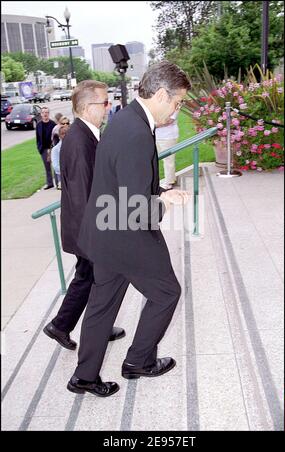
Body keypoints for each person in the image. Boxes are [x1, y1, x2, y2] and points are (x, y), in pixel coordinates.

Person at [67, 61, 191, 398]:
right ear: (162, 94)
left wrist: (163, 191)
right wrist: (165, 203)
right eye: (178, 102)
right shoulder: (137, 131)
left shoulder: (126, 119)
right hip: (126, 234)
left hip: (105, 233)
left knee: (101, 304)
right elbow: (137, 208)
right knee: (167, 292)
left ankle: (84, 376)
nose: (177, 110)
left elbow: (126, 182)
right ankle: (139, 361)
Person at [43, 80, 125, 351]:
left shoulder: (86, 134)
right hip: (88, 230)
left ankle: (64, 325)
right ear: (88, 106)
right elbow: (83, 194)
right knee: (92, 277)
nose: (107, 107)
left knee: (90, 277)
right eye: (104, 102)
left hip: (88, 228)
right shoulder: (79, 140)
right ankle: (64, 325)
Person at [155, 111, 179, 189]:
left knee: (168, 160)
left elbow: (169, 120)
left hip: (168, 136)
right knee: (156, 159)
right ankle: (170, 179)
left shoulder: (175, 105)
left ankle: (169, 182)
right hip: (157, 135)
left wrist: (153, 125)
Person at [36, 106, 56, 189]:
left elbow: (56, 137)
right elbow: (37, 138)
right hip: (43, 149)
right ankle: (50, 183)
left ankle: (59, 183)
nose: (45, 114)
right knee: (47, 167)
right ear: (41, 114)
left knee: (55, 166)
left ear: (49, 113)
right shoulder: (38, 125)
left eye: (47, 112)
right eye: (43, 112)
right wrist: (39, 148)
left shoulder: (53, 124)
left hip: (52, 148)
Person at [51, 122, 70, 189]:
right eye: (62, 134)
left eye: (66, 133)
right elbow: (56, 166)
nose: (65, 135)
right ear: (59, 136)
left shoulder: (74, 146)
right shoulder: (55, 149)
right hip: (63, 177)